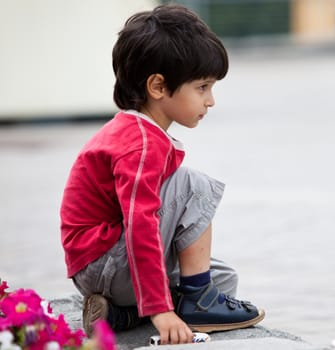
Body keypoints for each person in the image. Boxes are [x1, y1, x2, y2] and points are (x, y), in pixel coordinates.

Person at [59, 3, 264, 345]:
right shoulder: (140, 143)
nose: (210, 100)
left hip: (105, 266)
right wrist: (160, 309)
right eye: (202, 87)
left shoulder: (138, 132)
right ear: (157, 86)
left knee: (222, 277)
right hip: (103, 260)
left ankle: (121, 315)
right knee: (191, 186)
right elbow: (141, 224)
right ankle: (188, 302)